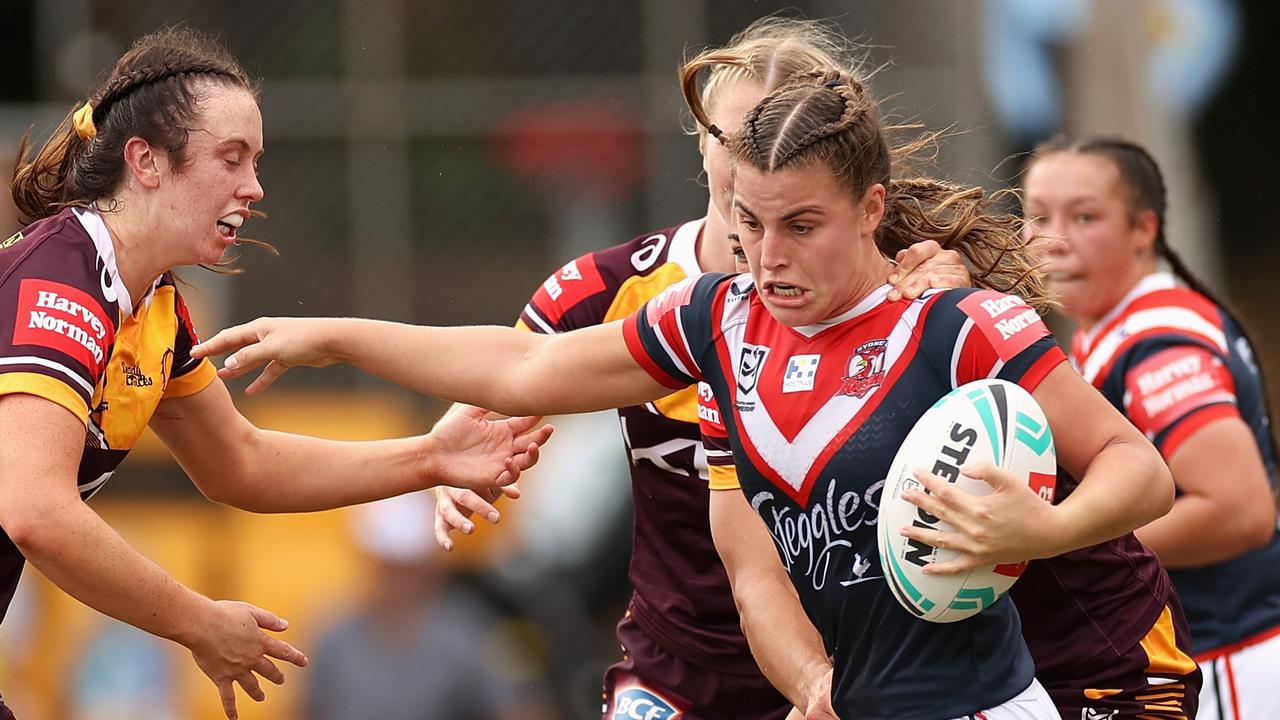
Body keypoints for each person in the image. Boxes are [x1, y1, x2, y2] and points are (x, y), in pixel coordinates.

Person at [194, 69, 1178, 719]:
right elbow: (528, 370)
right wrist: (335, 336)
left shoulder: (954, 328)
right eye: (748, 221)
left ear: (871, 210)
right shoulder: (719, 323)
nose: (770, 255)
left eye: (801, 224)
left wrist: (1036, 532)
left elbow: (1140, 472)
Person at [0, 28, 552, 720]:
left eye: (255, 161)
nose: (254, 187)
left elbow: (241, 462)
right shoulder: (62, 279)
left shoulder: (153, 308)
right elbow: (35, 512)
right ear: (144, 161)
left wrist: (432, 458)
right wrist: (197, 622)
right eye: (231, 158)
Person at [429, 17, 971, 720]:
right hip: (677, 670)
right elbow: (499, 383)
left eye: (774, 136)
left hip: (843, 667)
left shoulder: (895, 281)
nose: (751, 158)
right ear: (700, 142)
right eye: (730, 136)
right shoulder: (614, 285)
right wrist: (451, 458)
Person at [1023, 135, 1280, 720]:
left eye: (1085, 216)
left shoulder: (1155, 342)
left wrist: (1063, 542)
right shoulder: (1111, 328)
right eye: (1036, 216)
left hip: (1233, 662)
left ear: (1144, 229)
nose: (1053, 239)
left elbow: (1241, 509)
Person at [304, 493, 553, 720]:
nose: (397, 580)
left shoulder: (471, 631)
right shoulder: (334, 637)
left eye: (406, 567)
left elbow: (520, 710)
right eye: (388, 565)